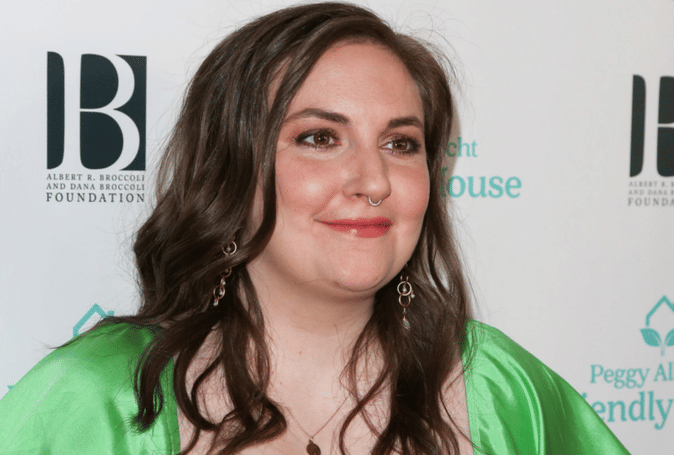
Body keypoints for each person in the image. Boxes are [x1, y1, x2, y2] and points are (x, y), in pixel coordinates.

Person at [0, 2, 630, 454]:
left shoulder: (500, 389)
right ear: (229, 171)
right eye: (320, 138)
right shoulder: (97, 398)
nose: (374, 180)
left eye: (401, 144)